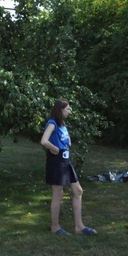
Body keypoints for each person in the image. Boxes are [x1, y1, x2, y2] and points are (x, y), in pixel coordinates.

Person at [40, 98, 97, 236]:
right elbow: (44, 141)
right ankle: (55, 227)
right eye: (68, 109)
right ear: (61, 110)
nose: (70, 111)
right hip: (56, 162)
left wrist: (67, 142)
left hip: (66, 162)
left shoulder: (62, 124)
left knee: (78, 191)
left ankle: (79, 227)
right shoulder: (52, 123)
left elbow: (66, 139)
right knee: (58, 194)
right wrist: (55, 148)